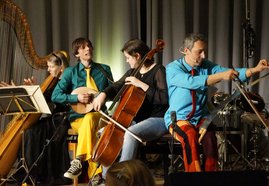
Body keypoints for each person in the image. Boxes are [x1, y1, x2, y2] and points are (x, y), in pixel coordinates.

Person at [164, 33, 269, 172]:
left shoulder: (206, 65)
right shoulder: (173, 68)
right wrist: (220, 76)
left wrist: (255, 70)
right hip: (179, 118)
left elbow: (230, 72)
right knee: (190, 136)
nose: (203, 56)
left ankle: (211, 179)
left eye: (204, 51)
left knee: (210, 139)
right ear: (186, 50)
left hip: (200, 118)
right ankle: (193, 179)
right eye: (199, 52)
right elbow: (191, 82)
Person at [92, 39, 168, 182]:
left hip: (159, 119)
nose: (127, 61)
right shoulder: (133, 72)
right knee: (105, 132)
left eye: (128, 58)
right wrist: (103, 94)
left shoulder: (158, 70)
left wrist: (141, 85)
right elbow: (116, 87)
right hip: (137, 120)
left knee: (131, 133)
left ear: (137, 56)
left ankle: (122, 178)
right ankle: (107, 179)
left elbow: (164, 98)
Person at [0, 51, 71, 184]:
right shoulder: (56, 81)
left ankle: (34, 172)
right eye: (48, 67)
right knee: (29, 131)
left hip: (64, 118)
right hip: (55, 118)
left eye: (51, 67)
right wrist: (20, 90)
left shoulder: (66, 80)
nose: (49, 70)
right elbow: (44, 97)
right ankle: (29, 170)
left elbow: (47, 98)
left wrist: (33, 90)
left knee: (32, 132)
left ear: (61, 66)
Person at [51, 37, 113, 180]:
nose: (88, 49)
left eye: (89, 46)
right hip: (77, 118)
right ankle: (96, 175)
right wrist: (76, 98)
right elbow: (56, 95)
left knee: (91, 118)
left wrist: (102, 96)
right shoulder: (70, 72)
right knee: (88, 124)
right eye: (83, 47)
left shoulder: (104, 69)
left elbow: (114, 92)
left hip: (100, 116)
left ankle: (78, 160)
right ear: (76, 54)